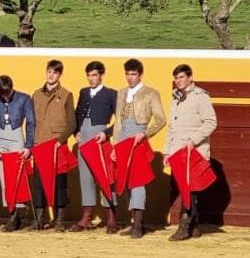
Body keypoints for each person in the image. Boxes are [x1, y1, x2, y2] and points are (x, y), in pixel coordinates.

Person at [112, 58, 166, 239]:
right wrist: (114, 145)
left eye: (133, 74)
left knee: (137, 181)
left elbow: (160, 120)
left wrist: (145, 134)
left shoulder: (151, 93)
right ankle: (133, 221)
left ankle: (139, 225)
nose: (130, 77)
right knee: (125, 181)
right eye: (127, 74)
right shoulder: (121, 93)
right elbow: (118, 122)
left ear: (140, 74)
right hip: (122, 139)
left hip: (138, 138)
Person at [165, 64, 218, 242]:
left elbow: (211, 122)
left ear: (190, 77)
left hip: (193, 151)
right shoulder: (175, 98)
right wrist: (167, 151)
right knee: (187, 189)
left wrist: (193, 141)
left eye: (181, 77)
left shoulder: (200, 96)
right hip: (178, 151)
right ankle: (194, 226)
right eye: (176, 78)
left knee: (190, 190)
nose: (178, 81)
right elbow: (172, 127)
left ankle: (185, 226)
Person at [69, 61, 118, 233]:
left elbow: (119, 120)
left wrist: (107, 133)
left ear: (101, 75)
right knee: (85, 177)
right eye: (89, 75)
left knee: (105, 175)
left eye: (95, 75)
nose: (92, 79)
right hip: (84, 134)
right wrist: (76, 131)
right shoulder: (83, 92)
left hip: (99, 134)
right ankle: (87, 217)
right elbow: (77, 112)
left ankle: (111, 216)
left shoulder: (111, 94)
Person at [31, 60, 76, 230]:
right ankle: (40, 219)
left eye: (55, 73)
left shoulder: (66, 94)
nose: (51, 75)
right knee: (39, 183)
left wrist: (60, 140)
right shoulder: (36, 94)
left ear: (60, 75)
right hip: (40, 143)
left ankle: (59, 220)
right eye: (49, 72)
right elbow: (31, 122)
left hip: (57, 145)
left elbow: (72, 123)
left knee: (59, 183)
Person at [0, 75, 36, 232]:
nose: (6, 96)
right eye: (3, 93)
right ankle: (12, 212)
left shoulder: (24, 98)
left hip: (17, 138)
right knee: (5, 180)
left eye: (8, 92)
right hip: (1, 138)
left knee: (17, 178)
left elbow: (31, 123)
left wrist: (29, 146)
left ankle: (16, 216)